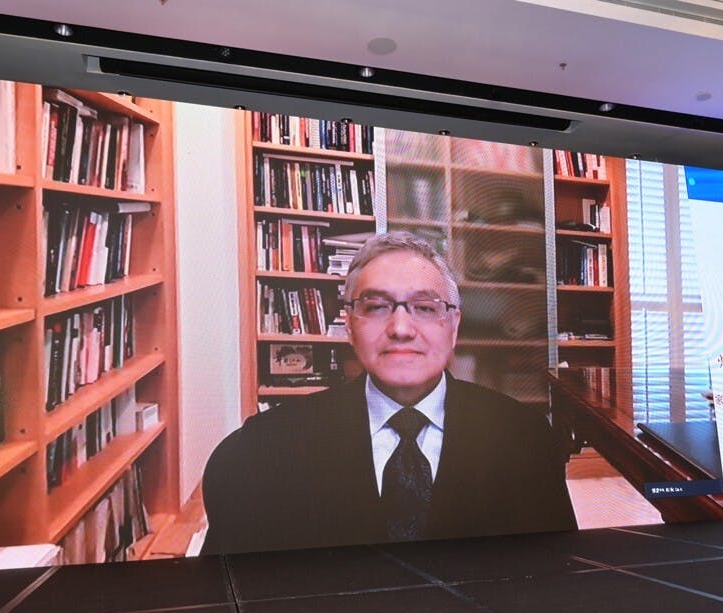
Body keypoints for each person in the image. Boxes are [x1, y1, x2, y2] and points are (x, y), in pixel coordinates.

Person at [201, 232, 576, 555]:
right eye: (377, 307)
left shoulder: (525, 438)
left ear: (453, 326)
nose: (401, 328)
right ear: (349, 325)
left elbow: (557, 583)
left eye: (425, 308)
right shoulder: (265, 447)